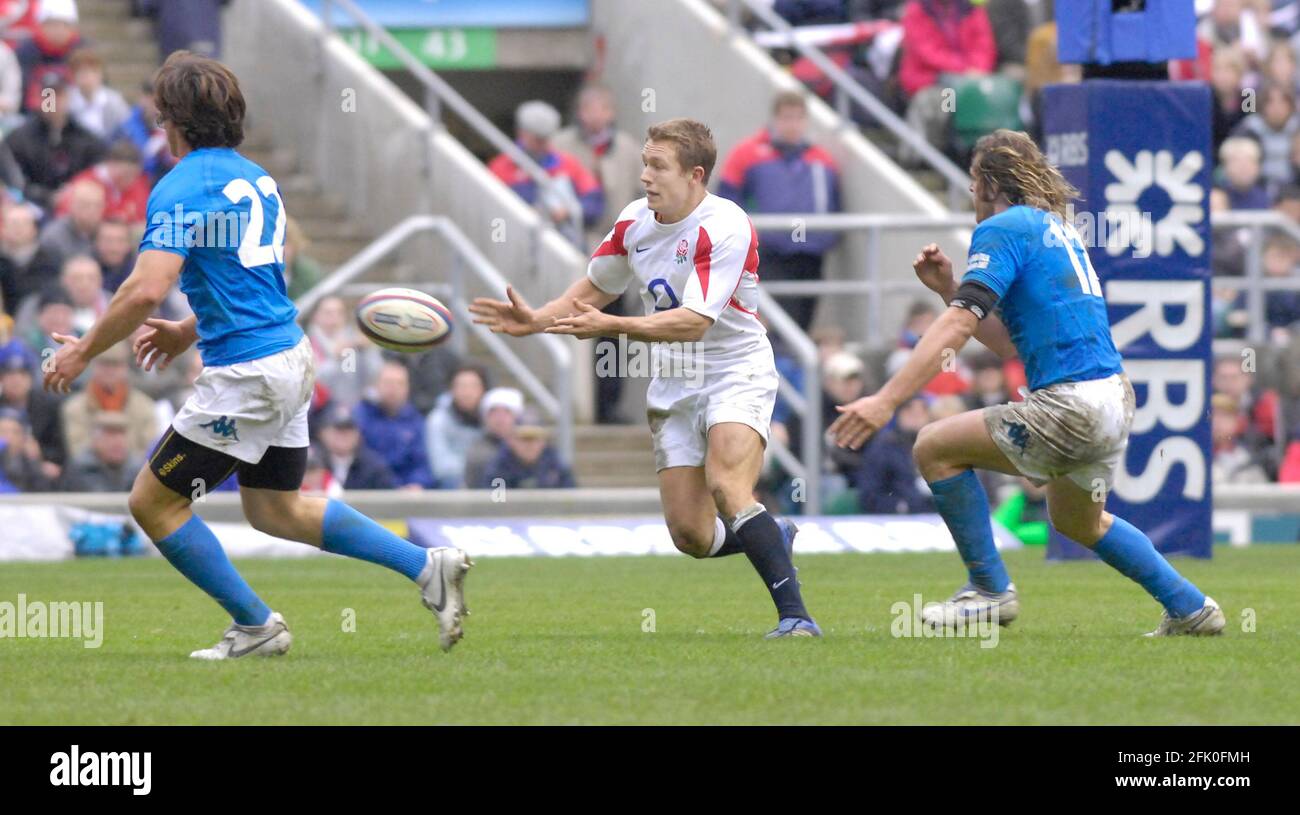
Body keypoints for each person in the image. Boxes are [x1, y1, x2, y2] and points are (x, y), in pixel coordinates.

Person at [41, 51, 470, 659]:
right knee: (275, 508)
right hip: (288, 357)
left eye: (162, 116)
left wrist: (84, 349)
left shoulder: (181, 187)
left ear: (173, 120)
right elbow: (252, 279)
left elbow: (143, 287)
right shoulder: (256, 179)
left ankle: (256, 626)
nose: (159, 126)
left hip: (248, 373)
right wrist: (187, 332)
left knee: (152, 501)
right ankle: (427, 565)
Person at [828, 129, 1224, 636]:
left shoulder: (1002, 229)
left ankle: (988, 590)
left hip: (1072, 402)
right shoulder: (1054, 229)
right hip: (1113, 397)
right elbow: (1010, 344)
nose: (971, 194)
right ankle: (1192, 607)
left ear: (991, 183)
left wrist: (886, 400)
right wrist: (951, 286)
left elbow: (958, 324)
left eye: (973, 182)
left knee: (933, 446)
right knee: (1079, 523)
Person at [472, 117, 820, 638]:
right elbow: (595, 287)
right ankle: (769, 533)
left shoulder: (724, 225)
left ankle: (796, 617)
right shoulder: (635, 221)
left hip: (733, 368)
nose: (646, 177)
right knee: (691, 535)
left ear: (695, 175)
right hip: (674, 381)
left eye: (658, 166)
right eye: (644, 165)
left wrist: (612, 326)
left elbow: (694, 321)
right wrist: (538, 319)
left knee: (729, 485)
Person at [717, 91, 842, 330]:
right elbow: (726, 201)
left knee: (803, 323)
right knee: (773, 326)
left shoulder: (822, 160)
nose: (792, 125)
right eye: (786, 118)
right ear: (775, 119)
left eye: (798, 118)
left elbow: (834, 205)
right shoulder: (747, 154)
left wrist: (823, 239)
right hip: (768, 256)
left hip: (810, 257)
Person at [488, 99, 604, 246]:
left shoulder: (567, 164)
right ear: (521, 133)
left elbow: (595, 202)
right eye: (537, 139)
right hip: (515, 245)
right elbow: (489, 212)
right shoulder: (501, 168)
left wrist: (568, 210)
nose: (542, 144)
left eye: (546, 138)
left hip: (562, 242)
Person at [425, 363, 487, 489]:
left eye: (473, 386)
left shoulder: (491, 418)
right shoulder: (437, 420)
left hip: (485, 477)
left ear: (483, 390)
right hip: (452, 481)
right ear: (451, 389)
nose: (467, 392)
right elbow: (441, 466)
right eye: (462, 386)